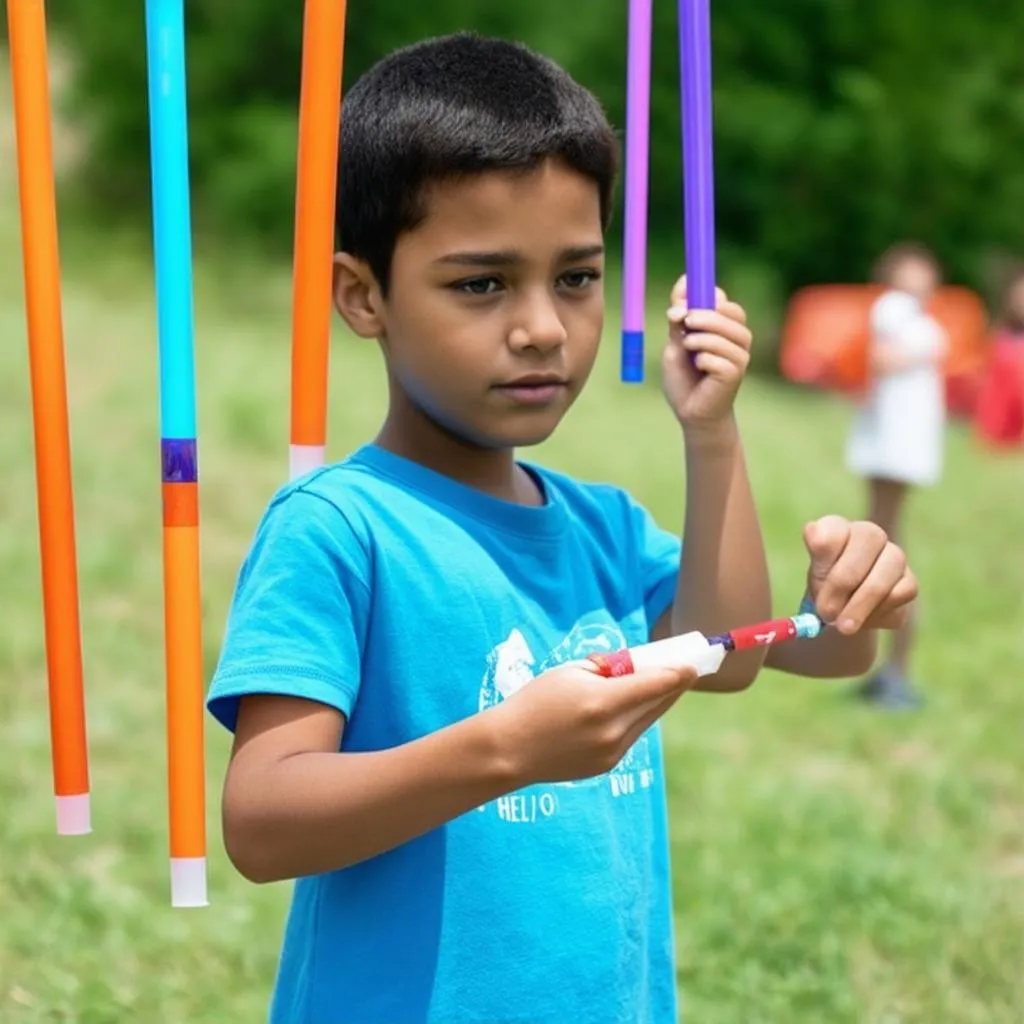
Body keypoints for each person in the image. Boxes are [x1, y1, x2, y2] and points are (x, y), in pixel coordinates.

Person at [207, 33, 918, 1024]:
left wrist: (725, 452)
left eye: (576, 278)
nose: (542, 326)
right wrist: (504, 748)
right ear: (363, 295)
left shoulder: (601, 527)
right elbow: (262, 822)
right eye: (481, 283)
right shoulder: (337, 530)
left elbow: (752, 655)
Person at [844, 242, 945, 709]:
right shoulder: (899, 310)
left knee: (887, 546)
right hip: (893, 446)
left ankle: (890, 668)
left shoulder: (907, 315)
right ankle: (888, 668)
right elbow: (883, 361)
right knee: (885, 544)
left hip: (899, 446)